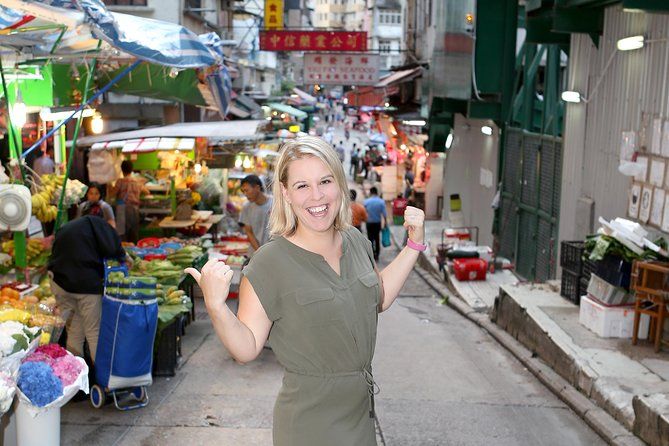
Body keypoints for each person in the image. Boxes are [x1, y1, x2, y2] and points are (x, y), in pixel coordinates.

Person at [185, 136, 425, 446]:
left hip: (361, 416)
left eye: (325, 181)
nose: (317, 196)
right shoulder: (269, 263)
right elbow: (246, 348)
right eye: (302, 186)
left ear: (339, 182)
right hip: (310, 426)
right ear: (285, 192)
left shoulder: (354, 241)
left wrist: (414, 245)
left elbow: (377, 295)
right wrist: (216, 307)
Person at [48, 215, 127, 363]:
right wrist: (122, 256)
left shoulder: (72, 227)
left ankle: (75, 373)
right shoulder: (103, 230)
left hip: (60, 283)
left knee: (75, 329)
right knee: (93, 331)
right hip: (85, 287)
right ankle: (103, 379)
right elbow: (112, 249)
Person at [108, 160, 149, 244]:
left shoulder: (120, 181)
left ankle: (124, 253)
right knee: (133, 234)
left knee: (122, 235)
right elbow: (147, 192)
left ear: (122, 170)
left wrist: (108, 186)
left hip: (121, 209)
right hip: (134, 209)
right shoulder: (137, 181)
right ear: (132, 169)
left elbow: (112, 194)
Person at [239, 174, 273, 257]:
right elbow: (249, 232)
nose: (245, 194)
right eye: (243, 191)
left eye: (247, 190)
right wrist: (260, 252)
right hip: (255, 253)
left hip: (274, 253)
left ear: (257, 188)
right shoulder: (246, 207)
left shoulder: (275, 204)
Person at [364, 186, 387, 261]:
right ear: (377, 192)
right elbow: (384, 214)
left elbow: (364, 212)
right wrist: (385, 222)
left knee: (370, 239)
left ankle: (372, 254)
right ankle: (377, 255)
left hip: (369, 223)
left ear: (370, 192)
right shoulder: (381, 201)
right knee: (377, 238)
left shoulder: (366, 202)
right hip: (377, 223)